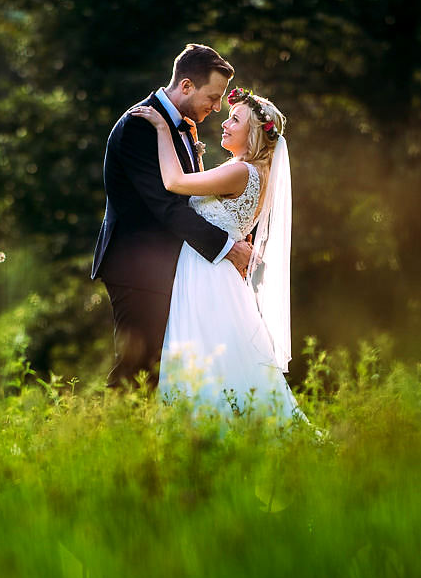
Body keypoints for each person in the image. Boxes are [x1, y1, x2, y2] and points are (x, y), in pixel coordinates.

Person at [128, 86, 303, 421]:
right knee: (221, 359)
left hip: (206, 274)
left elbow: (175, 183)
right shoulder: (253, 173)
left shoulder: (240, 172)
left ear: (252, 134)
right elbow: (212, 203)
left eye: (235, 120)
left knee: (203, 354)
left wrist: (163, 129)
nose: (225, 123)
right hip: (214, 273)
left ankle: (209, 431)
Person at [90, 44, 254, 389]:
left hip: (168, 266)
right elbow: (165, 206)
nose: (215, 106)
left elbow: (193, 198)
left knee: (162, 369)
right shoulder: (140, 125)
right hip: (136, 267)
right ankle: (115, 439)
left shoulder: (180, 127)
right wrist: (226, 246)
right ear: (187, 86)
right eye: (212, 96)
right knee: (137, 368)